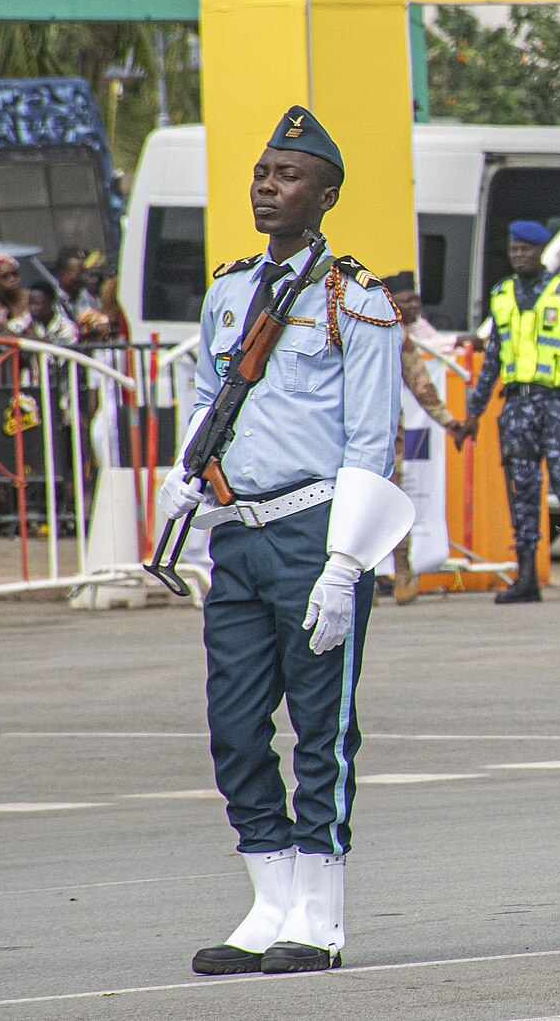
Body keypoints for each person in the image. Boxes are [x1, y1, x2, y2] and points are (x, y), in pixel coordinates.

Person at [161, 106, 406, 976]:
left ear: (327, 194)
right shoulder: (229, 291)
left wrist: (346, 564)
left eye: (288, 175)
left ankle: (320, 911)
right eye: (263, 173)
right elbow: (206, 396)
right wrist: (183, 472)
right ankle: (268, 902)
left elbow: (374, 441)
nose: (269, 187)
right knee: (233, 724)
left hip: (314, 530)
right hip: (240, 533)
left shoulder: (359, 299)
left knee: (321, 728)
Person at [463, 220, 560, 604]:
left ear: (541, 251)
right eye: (514, 249)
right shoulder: (501, 294)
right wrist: (473, 412)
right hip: (517, 405)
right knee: (522, 492)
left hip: (559, 404)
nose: (519, 255)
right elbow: (492, 362)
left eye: (526, 249)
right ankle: (526, 578)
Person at [384, 271, 466, 605]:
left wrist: (450, 422)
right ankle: (363, 577)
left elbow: (420, 384)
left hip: (386, 435)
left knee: (392, 502)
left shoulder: (395, 335)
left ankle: (403, 571)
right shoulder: (345, 329)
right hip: (340, 433)